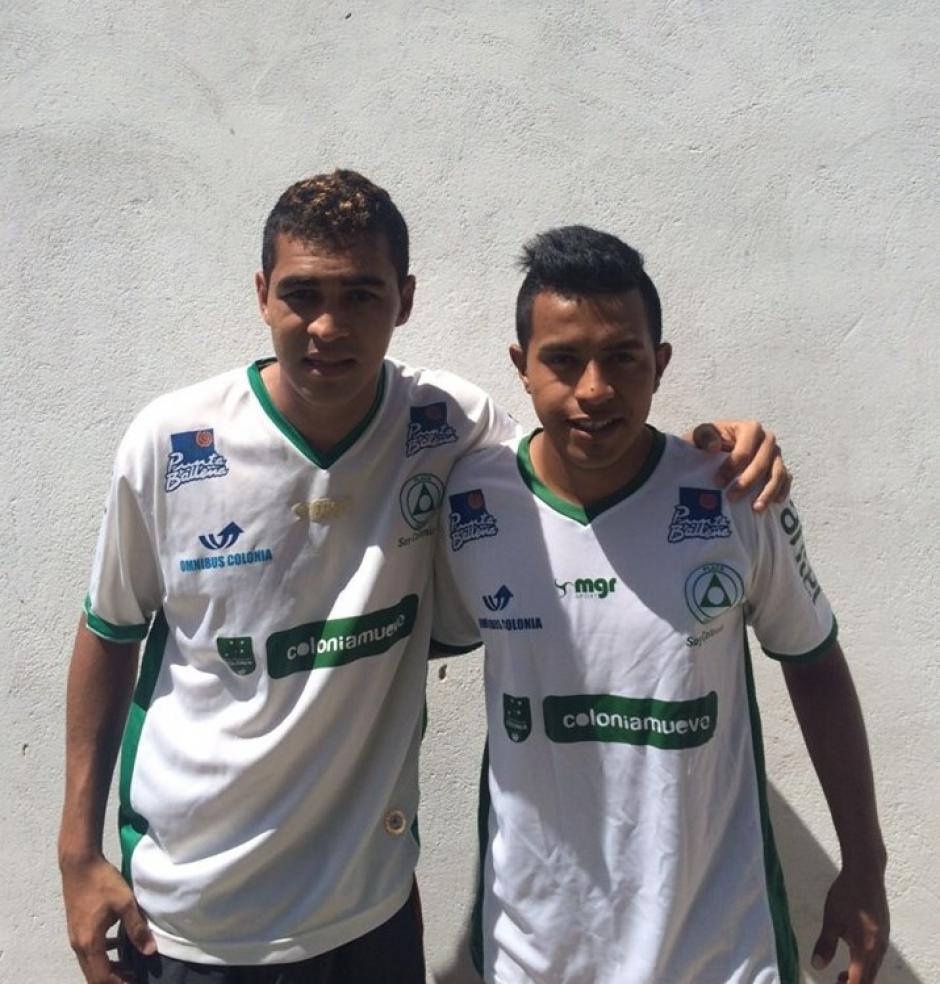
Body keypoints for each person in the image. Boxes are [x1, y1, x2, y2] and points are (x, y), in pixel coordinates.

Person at [59, 171, 790, 984]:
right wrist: (76, 853)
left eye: (362, 295)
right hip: (195, 919)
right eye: (302, 294)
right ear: (262, 295)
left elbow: (585, 447)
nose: (329, 325)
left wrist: (716, 447)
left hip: (370, 913)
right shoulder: (171, 443)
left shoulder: (448, 423)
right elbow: (108, 632)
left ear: (403, 300)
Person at [432, 226, 889, 984]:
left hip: (720, 948)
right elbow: (389, 663)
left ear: (660, 363)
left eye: (622, 357)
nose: (594, 388)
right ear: (520, 366)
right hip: (535, 951)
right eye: (563, 360)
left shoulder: (736, 493)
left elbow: (813, 663)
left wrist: (865, 862)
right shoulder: (472, 503)